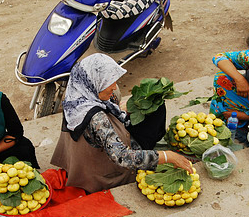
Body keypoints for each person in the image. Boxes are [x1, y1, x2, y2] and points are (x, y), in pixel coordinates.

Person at [50, 53, 192, 194]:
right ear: (95, 81)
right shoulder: (97, 118)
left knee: (155, 104)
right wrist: (166, 156)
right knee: (154, 118)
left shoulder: (77, 95)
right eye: (108, 82)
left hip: (85, 157)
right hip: (103, 172)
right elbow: (123, 157)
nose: (114, 86)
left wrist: (118, 108)